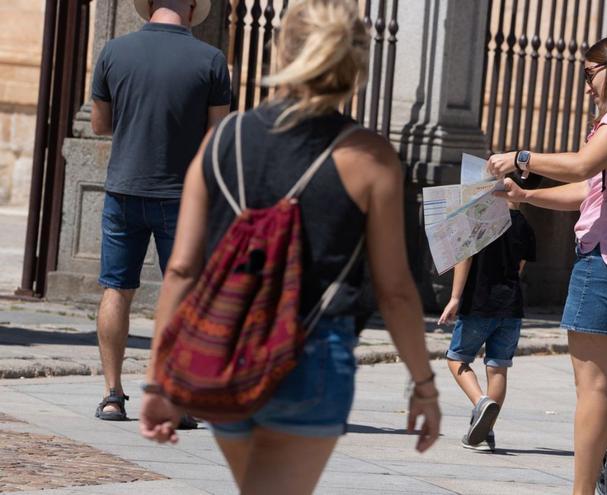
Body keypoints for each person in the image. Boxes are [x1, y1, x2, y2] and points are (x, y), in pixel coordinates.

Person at [138, 0, 441, 493]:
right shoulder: (369, 157)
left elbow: (181, 271)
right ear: (355, 62)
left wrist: (158, 380)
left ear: (283, 50)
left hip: (225, 351)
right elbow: (396, 291)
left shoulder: (221, 140)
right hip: (313, 353)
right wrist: (423, 387)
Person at [487, 35, 607, 495]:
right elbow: (590, 191)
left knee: (593, 391)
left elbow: (581, 166)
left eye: (591, 74)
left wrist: (521, 158)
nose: (587, 85)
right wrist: (526, 195)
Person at [90, 0, 231, 422]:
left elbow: (99, 123)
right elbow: (218, 136)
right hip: (182, 197)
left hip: (123, 190)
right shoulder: (211, 60)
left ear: (148, 5)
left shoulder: (114, 51)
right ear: (192, 8)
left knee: (116, 289)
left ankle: (113, 395)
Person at [437, 176, 538, 453]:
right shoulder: (525, 227)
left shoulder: (477, 219)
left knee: (456, 358)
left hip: (478, 303)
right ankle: (484, 430)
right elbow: (519, 268)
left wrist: (455, 297)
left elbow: (464, 258)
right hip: (511, 306)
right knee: (498, 368)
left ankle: (480, 402)